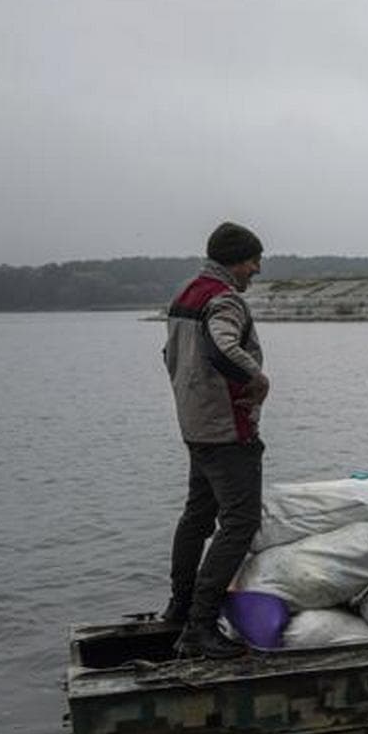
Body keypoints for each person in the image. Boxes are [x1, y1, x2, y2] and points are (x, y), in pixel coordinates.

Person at [161, 221, 270, 659]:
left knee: (197, 518)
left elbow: (169, 355)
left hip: (195, 426)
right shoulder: (224, 299)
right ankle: (200, 628)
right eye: (253, 261)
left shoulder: (185, 294)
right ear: (236, 261)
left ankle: (180, 606)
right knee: (240, 522)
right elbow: (221, 347)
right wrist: (256, 378)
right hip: (227, 431)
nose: (256, 270)